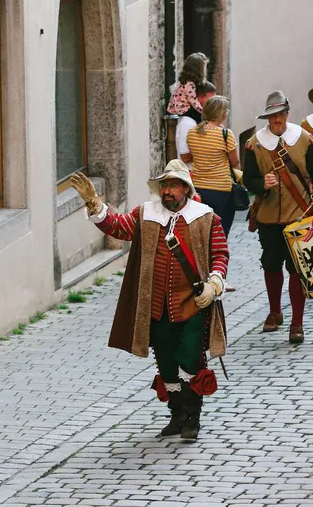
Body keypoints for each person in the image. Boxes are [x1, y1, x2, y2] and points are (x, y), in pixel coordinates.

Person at [70, 162, 228, 441]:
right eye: (164, 185)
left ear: (185, 189)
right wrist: (94, 204)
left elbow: (220, 254)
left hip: (193, 304)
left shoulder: (206, 218)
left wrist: (213, 284)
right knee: (165, 362)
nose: (167, 191)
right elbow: (117, 227)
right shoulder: (146, 214)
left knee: (191, 360)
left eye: (173, 185)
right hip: (156, 306)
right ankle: (177, 415)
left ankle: (192, 418)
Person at [243, 91, 313, 342]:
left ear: (287, 114)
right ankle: (274, 311)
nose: (277, 119)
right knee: (271, 264)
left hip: (299, 214)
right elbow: (248, 180)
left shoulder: (303, 138)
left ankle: (297, 322)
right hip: (268, 216)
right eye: (272, 116)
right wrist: (262, 184)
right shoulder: (255, 144)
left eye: (280, 114)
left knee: (297, 268)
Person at [183, 95, 240, 237]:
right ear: (221, 114)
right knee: (220, 233)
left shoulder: (192, 133)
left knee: (202, 232)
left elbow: (195, 155)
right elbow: (235, 162)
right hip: (222, 190)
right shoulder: (225, 134)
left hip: (198, 189)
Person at [175, 80, 217, 170]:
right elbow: (185, 157)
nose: (213, 104)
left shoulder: (201, 120)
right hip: (191, 173)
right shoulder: (188, 122)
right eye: (210, 100)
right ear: (198, 99)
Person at [167, 52, 208, 120]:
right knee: (200, 117)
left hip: (175, 110)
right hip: (180, 112)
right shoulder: (189, 84)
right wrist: (206, 113)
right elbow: (194, 103)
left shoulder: (184, 81)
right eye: (204, 67)